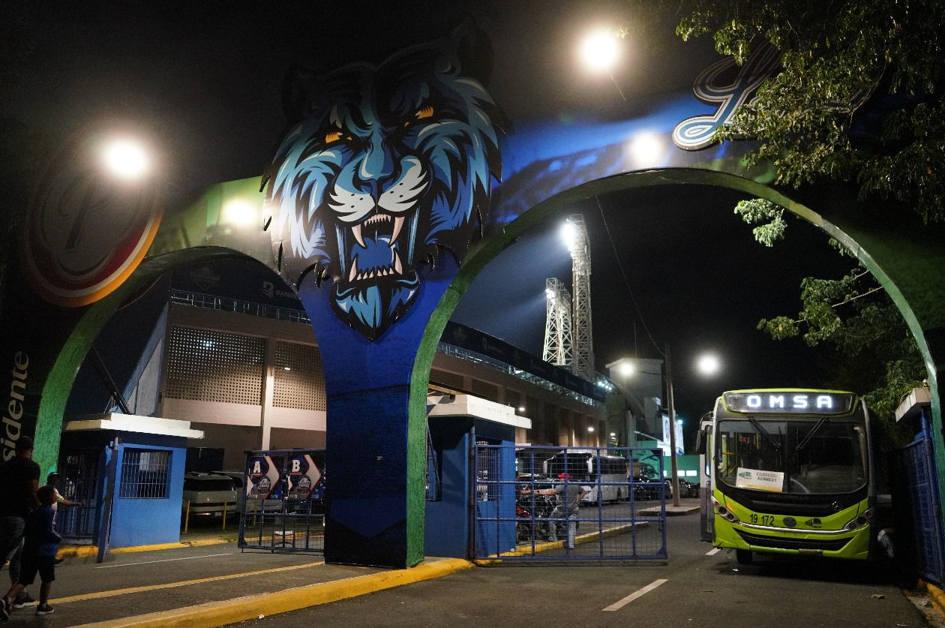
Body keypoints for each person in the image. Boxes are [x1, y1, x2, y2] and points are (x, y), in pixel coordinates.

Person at [1, 485, 61, 618]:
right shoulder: (50, 512)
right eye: (55, 494)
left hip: (30, 551)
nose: (57, 496)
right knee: (47, 579)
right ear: (50, 498)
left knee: (24, 579)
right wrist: (57, 538)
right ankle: (43, 605)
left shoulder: (33, 513)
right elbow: (49, 530)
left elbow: (27, 531)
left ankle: (7, 599)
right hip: (46, 552)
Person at [0, 437, 40, 610]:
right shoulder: (31, 467)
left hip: (4, 514)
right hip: (19, 517)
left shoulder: (5, 467)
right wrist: (39, 509)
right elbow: (33, 490)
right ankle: (12, 597)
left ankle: (20, 595)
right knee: (6, 554)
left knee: (18, 555)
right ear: (30, 449)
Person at [533, 473, 587, 549]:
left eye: (560, 478)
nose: (559, 479)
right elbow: (584, 492)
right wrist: (578, 500)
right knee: (571, 526)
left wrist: (539, 493)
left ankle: (553, 538)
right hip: (574, 508)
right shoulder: (575, 485)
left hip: (562, 508)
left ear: (564, 479)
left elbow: (552, 492)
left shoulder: (562, 485)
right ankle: (571, 545)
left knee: (552, 520)